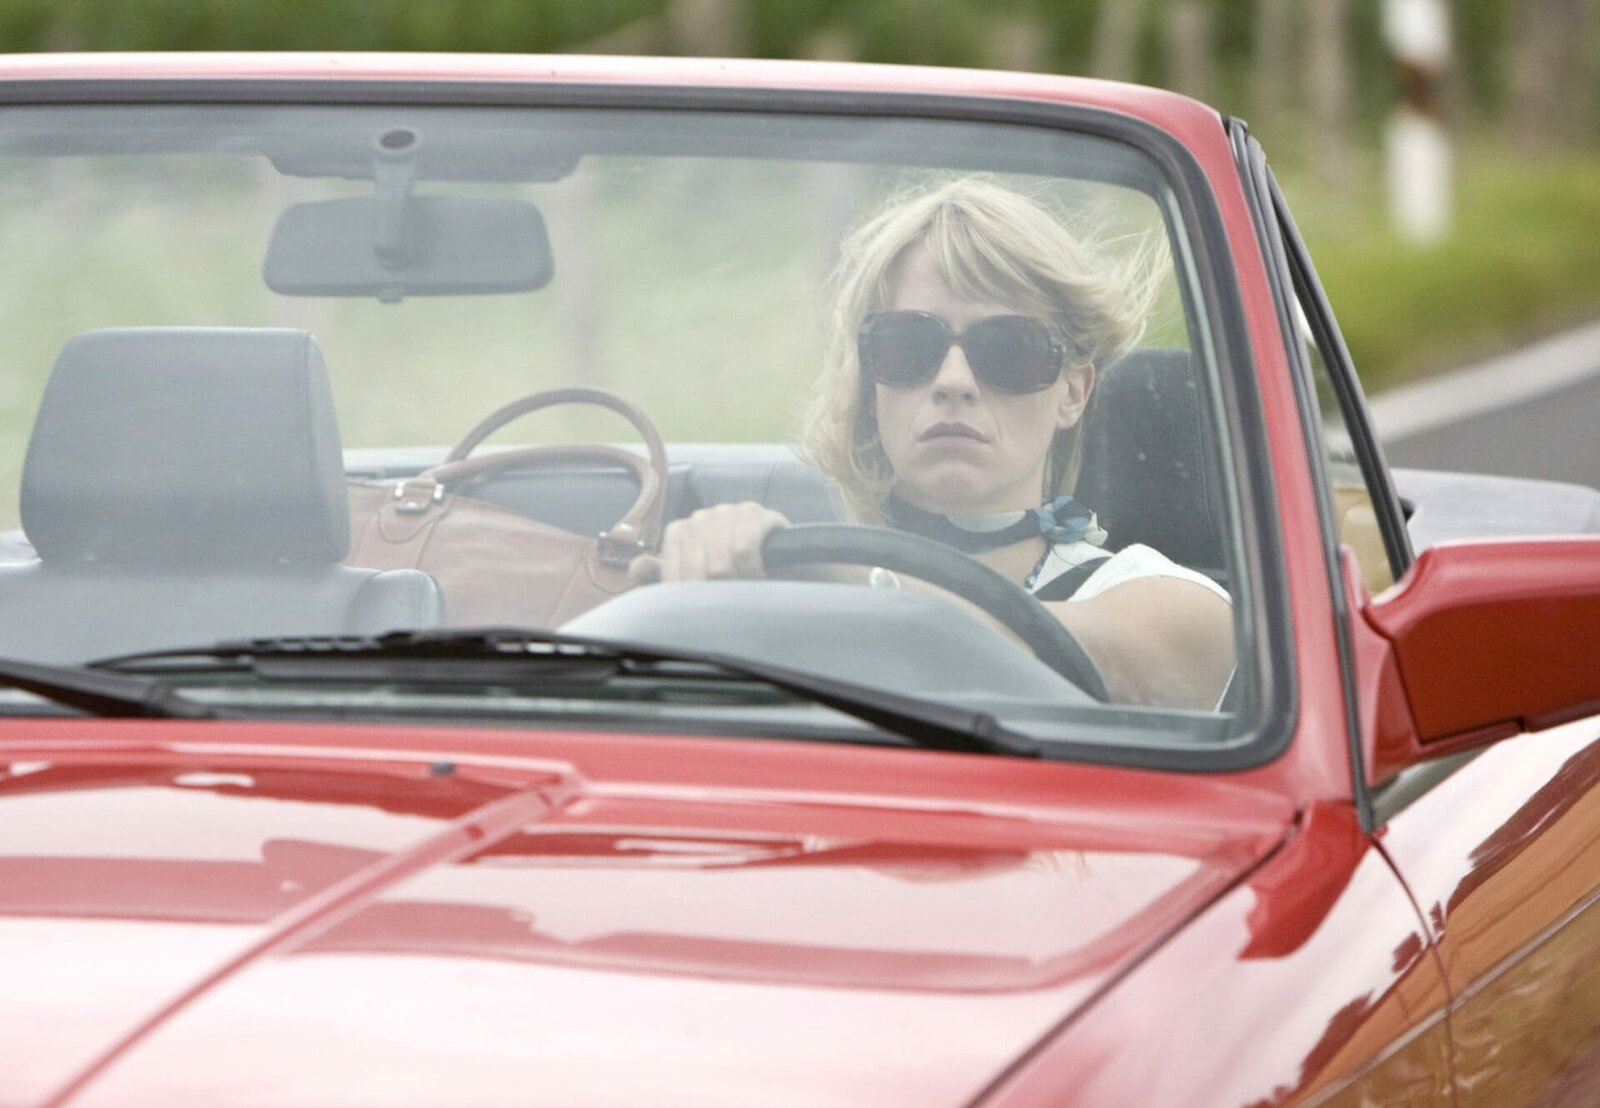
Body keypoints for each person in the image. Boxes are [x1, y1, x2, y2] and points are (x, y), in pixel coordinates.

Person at [631, 178, 1234, 709]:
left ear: (1073, 393)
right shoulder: (792, 581)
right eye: (908, 346)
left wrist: (832, 581)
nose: (953, 381)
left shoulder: (1179, 607)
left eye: (1009, 349)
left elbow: (1120, 667)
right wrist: (697, 572)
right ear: (870, 384)